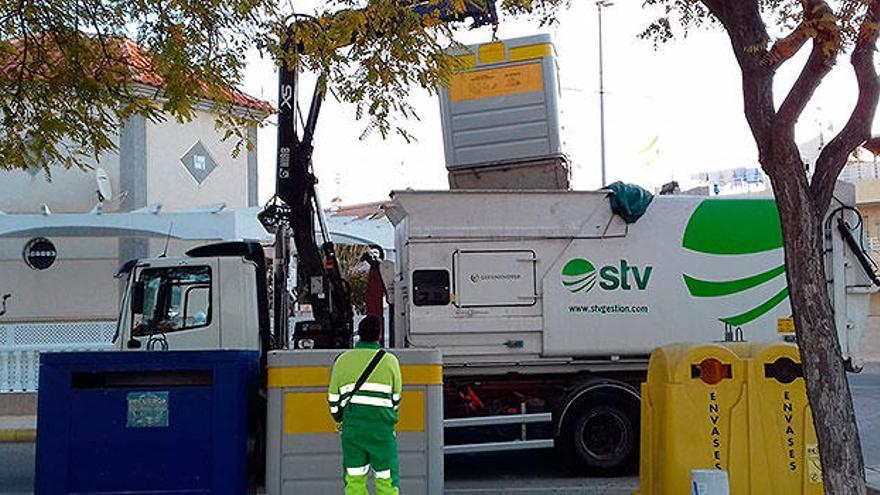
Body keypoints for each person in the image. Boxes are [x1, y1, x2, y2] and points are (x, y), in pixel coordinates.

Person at [328, 315, 402, 495]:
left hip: (353, 430)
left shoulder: (342, 361)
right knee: (387, 480)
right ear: (379, 335)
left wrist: (341, 420)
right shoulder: (390, 361)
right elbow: (396, 398)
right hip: (382, 431)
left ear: (358, 335)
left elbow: (333, 400)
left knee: (354, 480)